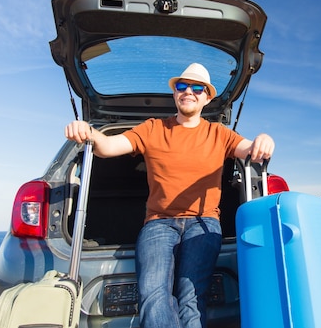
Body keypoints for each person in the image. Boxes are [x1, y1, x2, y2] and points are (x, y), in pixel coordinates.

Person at [65, 62, 275, 328]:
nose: (189, 91)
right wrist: (88, 132)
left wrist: (264, 139)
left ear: (207, 97)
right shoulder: (153, 128)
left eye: (197, 87)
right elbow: (108, 146)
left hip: (203, 222)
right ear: (175, 92)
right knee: (153, 293)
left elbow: (251, 148)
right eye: (182, 86)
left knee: (191, 295)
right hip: (159, 223)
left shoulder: (219, 133)